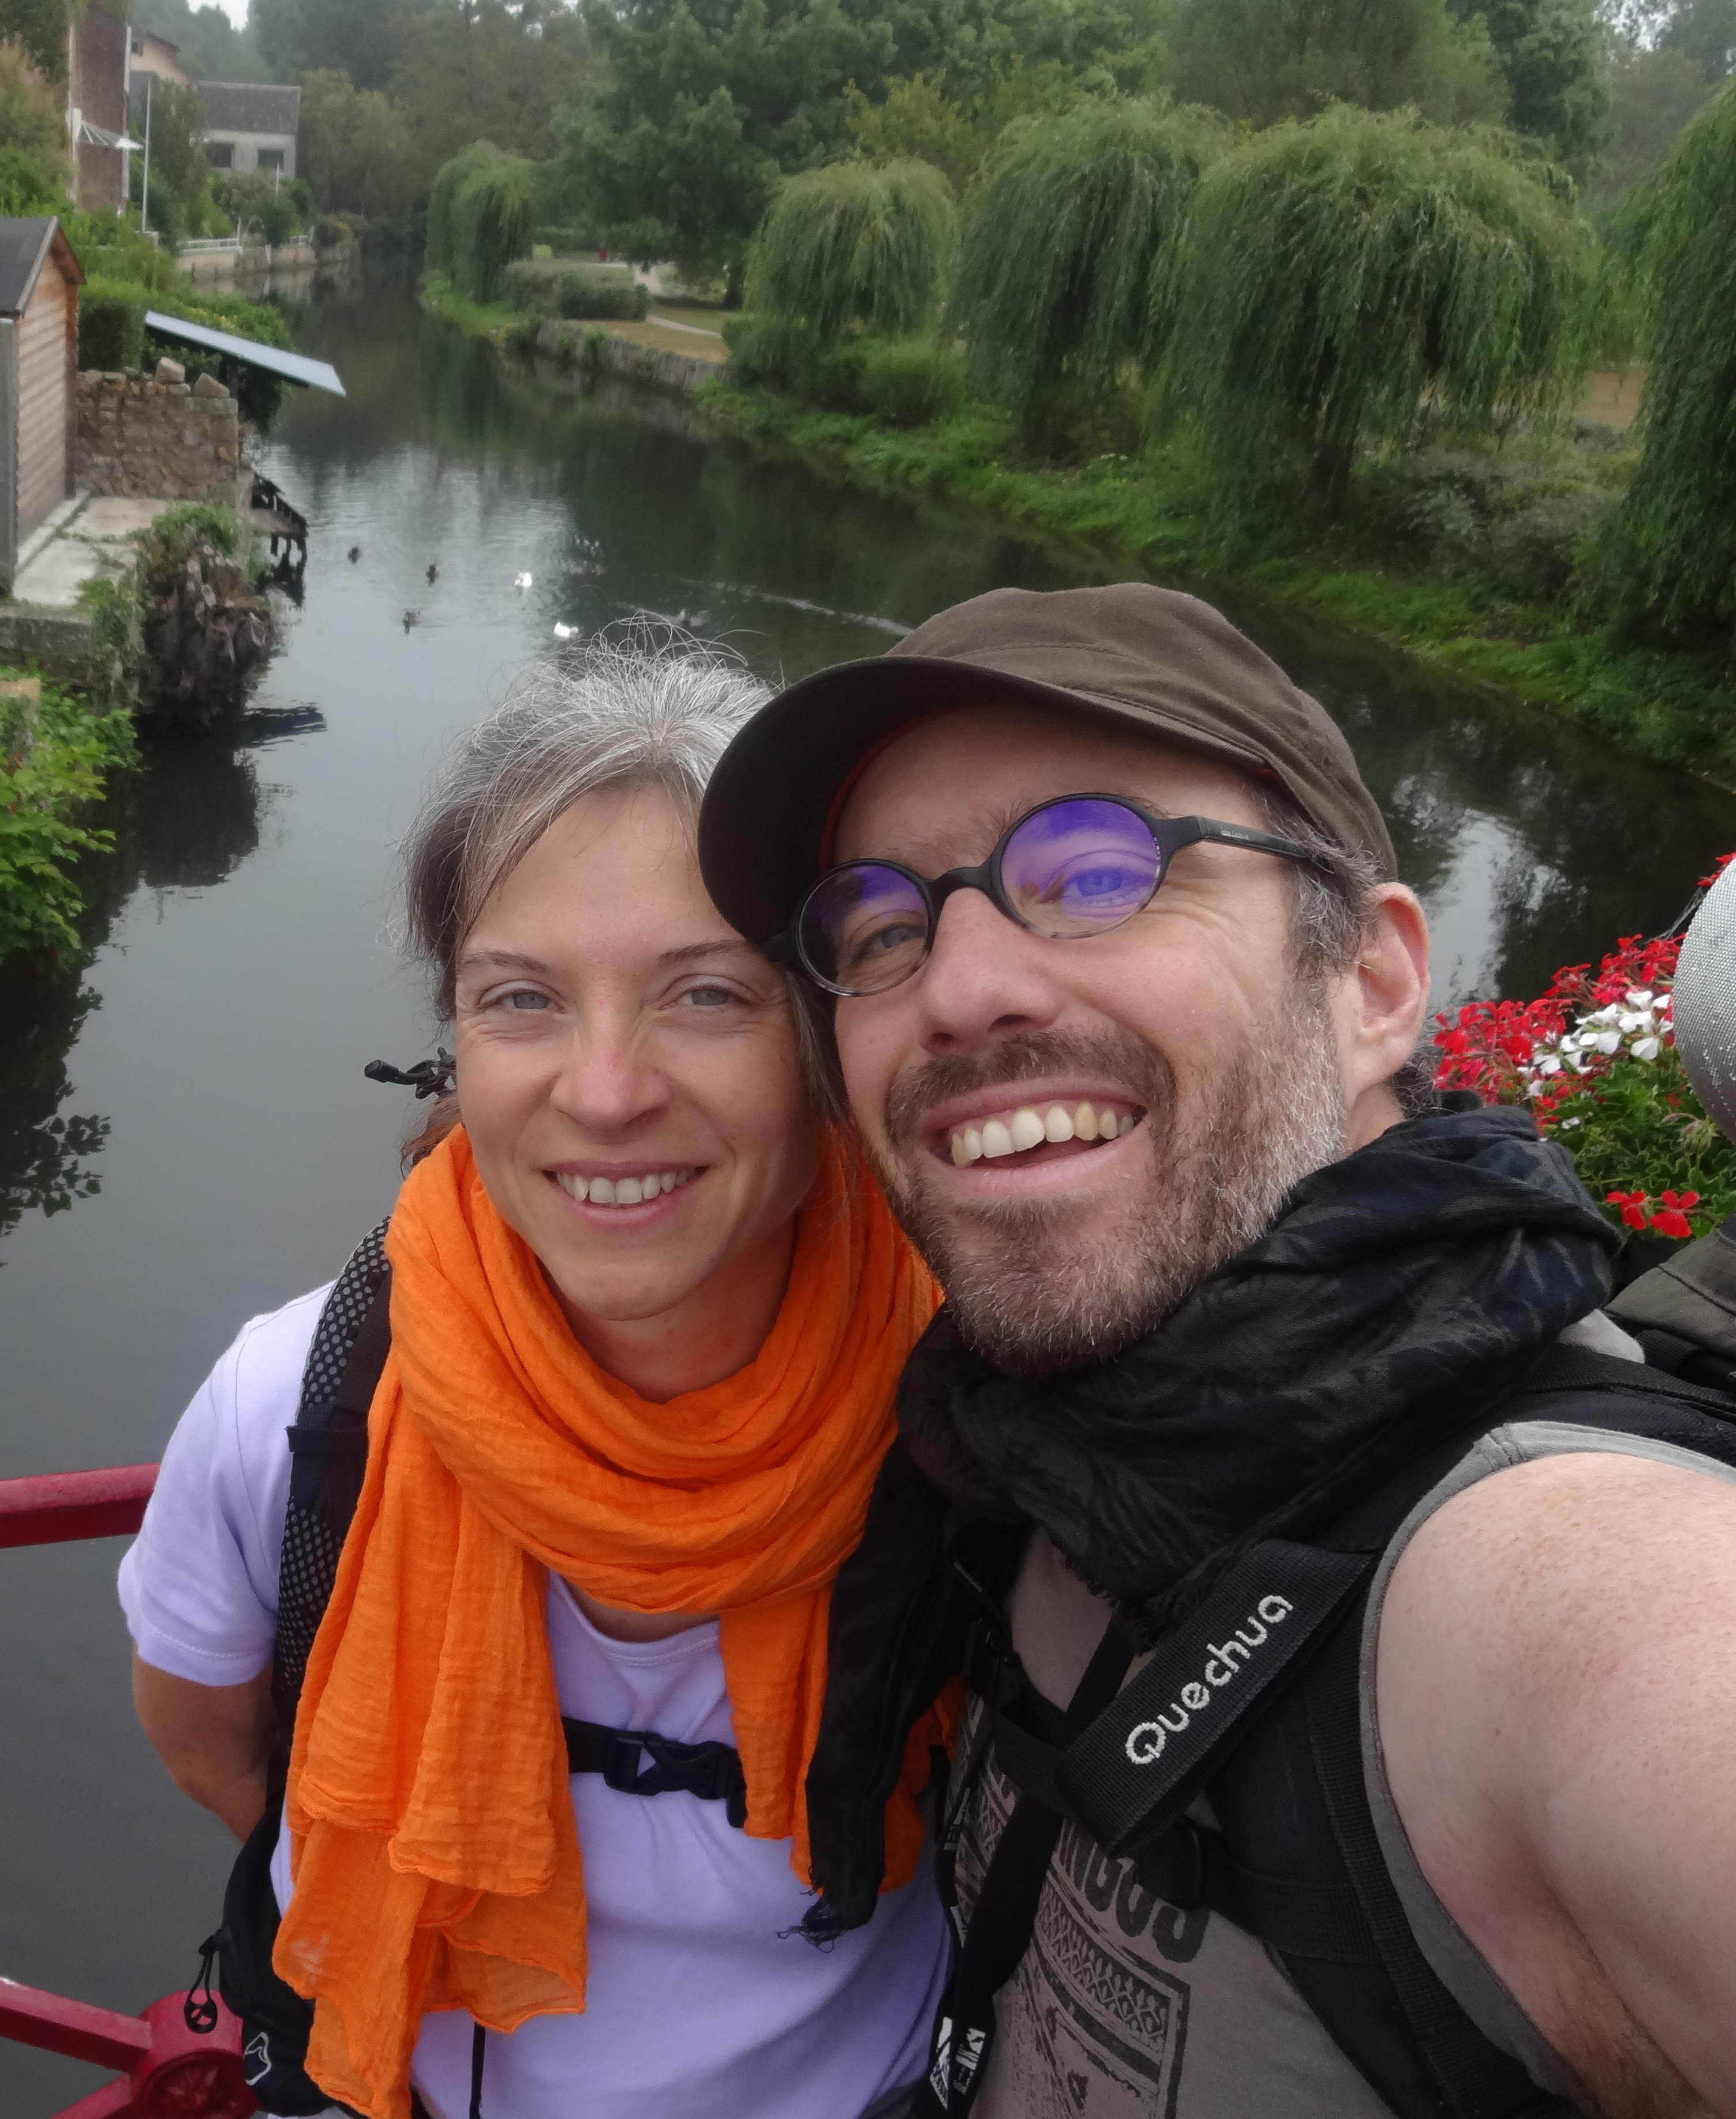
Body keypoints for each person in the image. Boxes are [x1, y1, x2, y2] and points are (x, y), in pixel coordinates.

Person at [693, 581, 1736, 2119]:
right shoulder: (1033, 1441)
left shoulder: (1569, 1604)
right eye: (879, 926)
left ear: (1373, 984)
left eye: (1101, 866)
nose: (960, 990)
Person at [118, 637, 960, 2119]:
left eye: (707, 996)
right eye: (522, 1000)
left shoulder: (970, 1407)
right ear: (452, 1038)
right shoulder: (299, 1405)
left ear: (827, 1039)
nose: (606, 1088)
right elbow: (207, 1746)